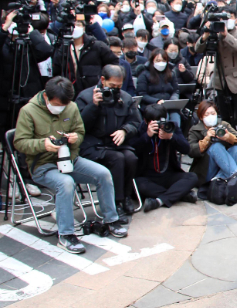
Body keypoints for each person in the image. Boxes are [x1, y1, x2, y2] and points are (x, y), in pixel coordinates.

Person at [14, 77, 128, 254]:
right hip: (43, 165)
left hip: (70, 159)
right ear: (46, 97)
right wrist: (43, 144)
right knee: (65, 183)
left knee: (103, 174)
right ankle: (66, 235)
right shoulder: (28, 111)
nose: (61, 108)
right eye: (58, 104)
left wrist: (75, 138)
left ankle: (111, 219)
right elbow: (20, 143)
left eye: (64, 105)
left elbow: (80, 131)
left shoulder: (71, 107)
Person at [75, 65, 142, 222]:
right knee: (117, 159)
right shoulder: (85, 96)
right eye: (112, 86)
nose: (115, 89)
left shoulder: (125, 98)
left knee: (131, 158)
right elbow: (79, 126)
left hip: (115, 143)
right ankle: (116, 202)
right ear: (103, 80)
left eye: (119, 86)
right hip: (93, 145)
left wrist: (125, 130)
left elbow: (136, 122)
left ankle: (126, 196)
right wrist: (93, 106)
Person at [195, 16, 237, 165]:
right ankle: (228, 150)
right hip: (220, 81)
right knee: (226, 120)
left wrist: (226, 35)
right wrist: (207, 34)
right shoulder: (213, 34)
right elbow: (198, 49)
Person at [129, 103, 198, 212]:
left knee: (192, 177)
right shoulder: (139, 129)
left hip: (169, 174)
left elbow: (186, 149)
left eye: (161, 121)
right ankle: (180, 194)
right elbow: (133, 152)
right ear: (146, 121)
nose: (159, 125)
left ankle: (159, 201)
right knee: (136, 185)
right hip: (147, 177)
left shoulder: (171, 127)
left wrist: (171, 137)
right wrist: (147, 136)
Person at [188, 100, 237, 192]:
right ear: (201, 117)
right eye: (206, 114)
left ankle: (219, 180)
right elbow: (191, 151)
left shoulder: (223, 125)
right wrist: (207, 139)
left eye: (212, 113)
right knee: (216, 147)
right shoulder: (195, 130)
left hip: (222, 168)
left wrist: (228, 137)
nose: (210, 116)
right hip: (206, 169)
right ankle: (236, 178)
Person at [52, 20, 119, 95]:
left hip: (93, 91)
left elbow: (114, 63)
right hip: (70, 92)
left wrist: (102, 81)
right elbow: (56, 71)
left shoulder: (97, 46)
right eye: (72, 25)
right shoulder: (63, 49)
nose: (75, 27)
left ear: (84, 28)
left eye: (78, 24)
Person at [136, 49, 181, 126]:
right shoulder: (144, 75)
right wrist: (156, 101)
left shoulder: (171, 74)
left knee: (175, 120)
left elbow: (176, 90)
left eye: (163, 60)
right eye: (158, 60)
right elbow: (142, 94)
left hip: (169, 105)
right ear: (152, 61)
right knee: (163, 121)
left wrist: (173, 99)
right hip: (153, 106)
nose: (161, 63)